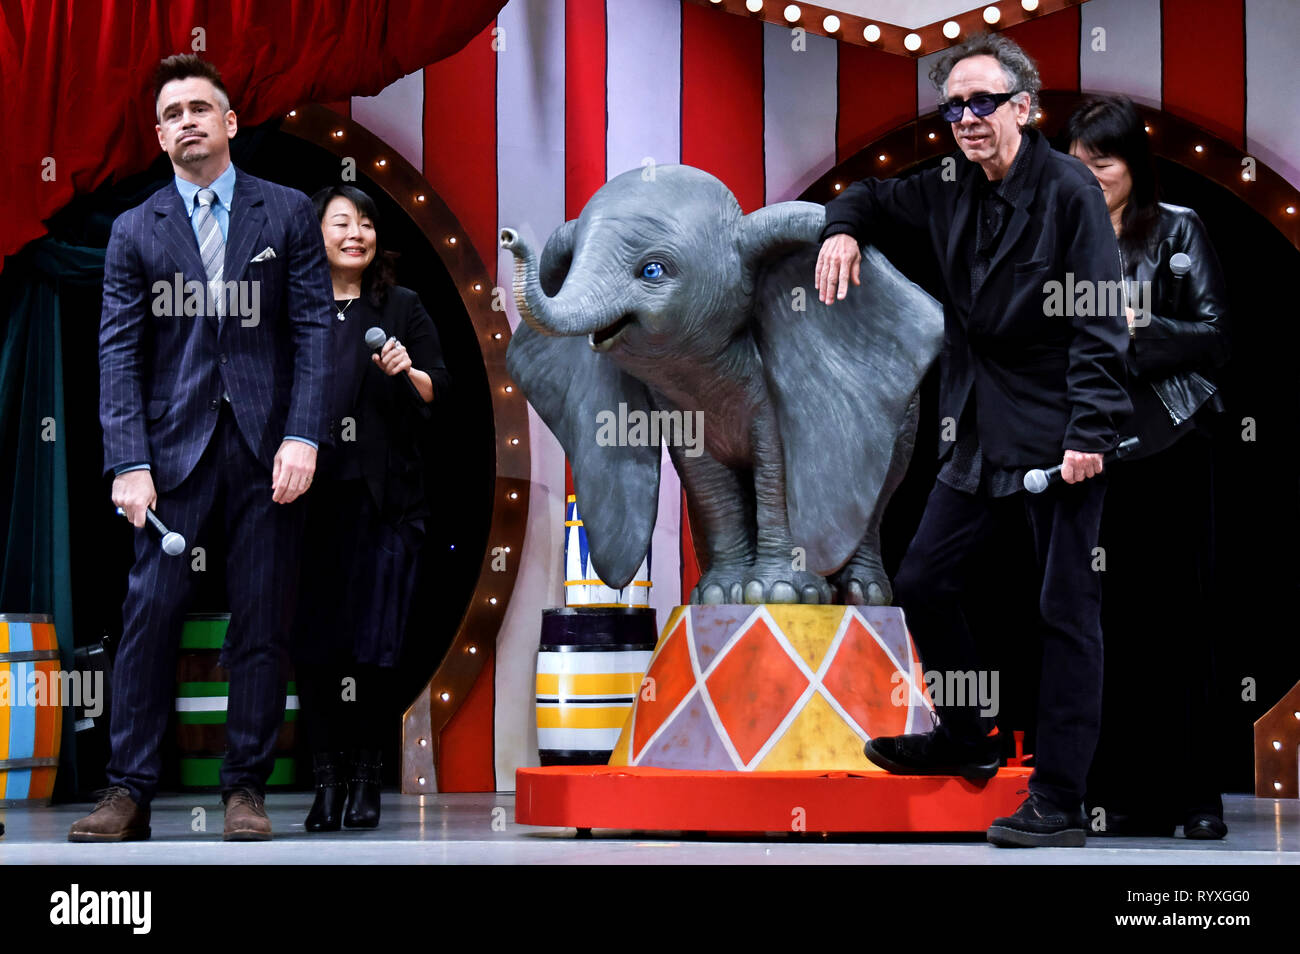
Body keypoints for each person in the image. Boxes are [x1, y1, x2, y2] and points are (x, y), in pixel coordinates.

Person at [814, 33, 1131, 848]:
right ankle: (968, 734)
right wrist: (840, 232)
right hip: (979, 424)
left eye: (982, 102)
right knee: (922, 576)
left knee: (1065, 611)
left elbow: (1098, 319)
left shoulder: (1069, 193)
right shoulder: (950, 182)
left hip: (1061, 430)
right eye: (954, 105)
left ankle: (1061, 800)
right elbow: (871, 197)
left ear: (1022, 107)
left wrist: (1090, 430)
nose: (966, 118)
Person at [72, 55, 332, 842]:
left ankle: (244, 790)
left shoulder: (286, 213)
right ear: (159, 135)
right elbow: (118, 351)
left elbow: (313, 330)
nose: (186, 120)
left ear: (230, 122)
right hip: (170, 452)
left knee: (261, 621)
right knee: (149, 616)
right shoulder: (133, 229)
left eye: (199, 107)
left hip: (266, 450)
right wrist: (128, 460)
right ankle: (128, 791)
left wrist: (303, 434)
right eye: (172, 112)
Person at [1067, 95, 1230, 839]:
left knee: (1180, 619)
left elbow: (1215, 336)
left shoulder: (1179, 228)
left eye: (1104, 161)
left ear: (1134, 162)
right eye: (1080, 163)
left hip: (1172, 445)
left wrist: (1144, 324)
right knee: (1103, 625)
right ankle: (1117, 793)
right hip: (1092, 449)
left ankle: (1196, 798)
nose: (1092, 175)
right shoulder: (1060, 236)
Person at [293, 185, 449, 831]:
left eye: (365, 223)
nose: (355, 232)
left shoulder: (402, 306)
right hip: (306, 504)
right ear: (317, 234)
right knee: (316, 648)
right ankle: (323, 785)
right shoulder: (296, 308)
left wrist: (406, 371)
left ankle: (365, 782)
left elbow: (438, 391)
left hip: (385, 505)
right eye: (340, 222)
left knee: (375, 649)